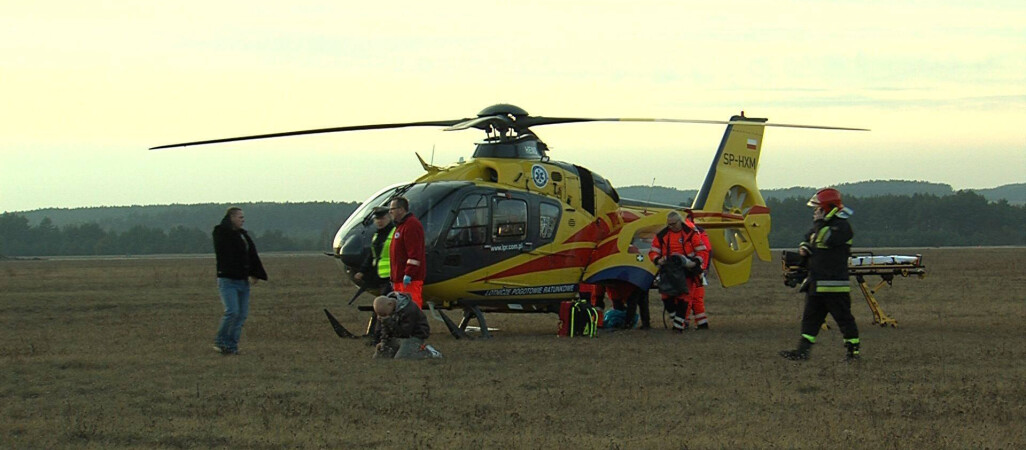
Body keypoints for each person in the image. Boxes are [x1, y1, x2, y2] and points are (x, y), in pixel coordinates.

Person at [780, 188, 861, 361]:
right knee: (810, 319)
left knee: (844, 319)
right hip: (817, 283)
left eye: (818, 209)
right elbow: (809, 237)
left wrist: (818, 224)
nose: (815, 212)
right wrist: (804, 246)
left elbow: (825, 238)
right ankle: (802, 352)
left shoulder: (842, 226)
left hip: (834, 285)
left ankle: (853, 351)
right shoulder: (821, 226)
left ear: (827, 208)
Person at [212, 207, 267, 355]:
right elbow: (229, 253)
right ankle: (220, 341)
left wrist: (255, 273)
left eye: (243, 217)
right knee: (232, 311)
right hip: (227, 280)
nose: (243, 220)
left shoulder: (243, 235)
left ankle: (231, 346)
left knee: (241, 315)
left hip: (243, 281)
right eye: (240, 217)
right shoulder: (221, 233)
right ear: (231, 218)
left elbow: (251, 255)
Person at [649, 211, 708, 333]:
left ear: (680, 222)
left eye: (673, 224)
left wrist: (694, 262)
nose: (671, 227)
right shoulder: (662, 235)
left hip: (687, 270)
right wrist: (658, 260)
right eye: (669, 224)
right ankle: (677, 319)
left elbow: (702, 251)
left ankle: (678, 327)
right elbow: (653, 251)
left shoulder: (691, 233)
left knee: (684, 298)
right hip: (668, 269)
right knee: (666, 296)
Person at [372, 293, 439, 359]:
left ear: (390, 304)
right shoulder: (388, 310)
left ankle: (430, 352)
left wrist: (389, 321)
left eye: (384, 314)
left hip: (413, 336)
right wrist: (383, 342)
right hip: (398, 336)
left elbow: (405, 333)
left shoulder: (409, 309)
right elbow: (385, 329)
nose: (382, 316)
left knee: (401, 357)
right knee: (380, 356)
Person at [388, 196, 426, 308]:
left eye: (392, 209)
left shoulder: (411, 225)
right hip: (399, 278)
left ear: (401, 209)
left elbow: (414, 254)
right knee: (401, 309)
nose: (390, 212)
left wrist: (409, 273)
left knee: (411, 308)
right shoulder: (401, 226)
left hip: (410, 280)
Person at [353, 206, 394, 294]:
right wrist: (362, 271)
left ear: (389, 217)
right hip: (379, 276)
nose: (379, 221)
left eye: (382, 218)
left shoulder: (396, 232)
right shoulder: (376, 236)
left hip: (392, 276)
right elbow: (372, 255)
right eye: (377, 219)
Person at [683, 213, 712, 330]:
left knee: (687, 297)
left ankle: (684, 321)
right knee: (697, 298)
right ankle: (702, 323)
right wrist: (705, 268)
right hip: (698, 269)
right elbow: (707, 250)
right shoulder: (699, 232)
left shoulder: (689, 232)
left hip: (692, 270)